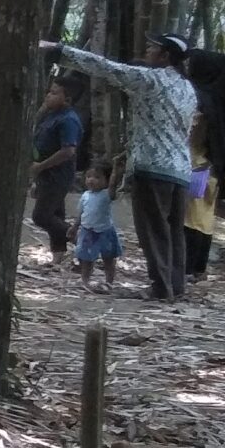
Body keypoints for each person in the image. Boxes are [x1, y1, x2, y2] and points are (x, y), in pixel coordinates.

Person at [46, 33, 200, 300]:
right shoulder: (188, 88)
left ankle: (161, 288)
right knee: (173, 230)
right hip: (180, 170)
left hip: (153, 168)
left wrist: (59, 51)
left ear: (165, 56)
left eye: (152, 48)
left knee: (154, 230)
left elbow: (105, 67)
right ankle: (174, 286)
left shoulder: (151, 79)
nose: (147, 50)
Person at [29, 79, 82, 265]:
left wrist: (41, 166)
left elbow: (68, 151)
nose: (48, 96)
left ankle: (81, 238)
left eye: (54, 93)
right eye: (49, 92)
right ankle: (57, 256)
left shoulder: (68, 120)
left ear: (67, 99)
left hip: (58, 175)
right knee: (56, 214)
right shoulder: (50, 115)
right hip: (46, 174)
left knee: (41, 216)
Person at [74, 164, 121, 292]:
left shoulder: (107, 195)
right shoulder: (85, 195)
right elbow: (81, 213)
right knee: (86, 259)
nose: (91, 180)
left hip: (105, 231)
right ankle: (85, 281)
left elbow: (113, 186)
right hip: (88, 231)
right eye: (88, 176)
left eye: (97, 177)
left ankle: (109, 282)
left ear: (106, 181)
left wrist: (115, 170)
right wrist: (74, 227)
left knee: (109, 258)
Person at [190, 107, 215, 286]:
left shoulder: (212, 158)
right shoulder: (185, 150)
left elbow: (212, 192)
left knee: (196, 271)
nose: (194, 127)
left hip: (203, 222)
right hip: (187, 218)